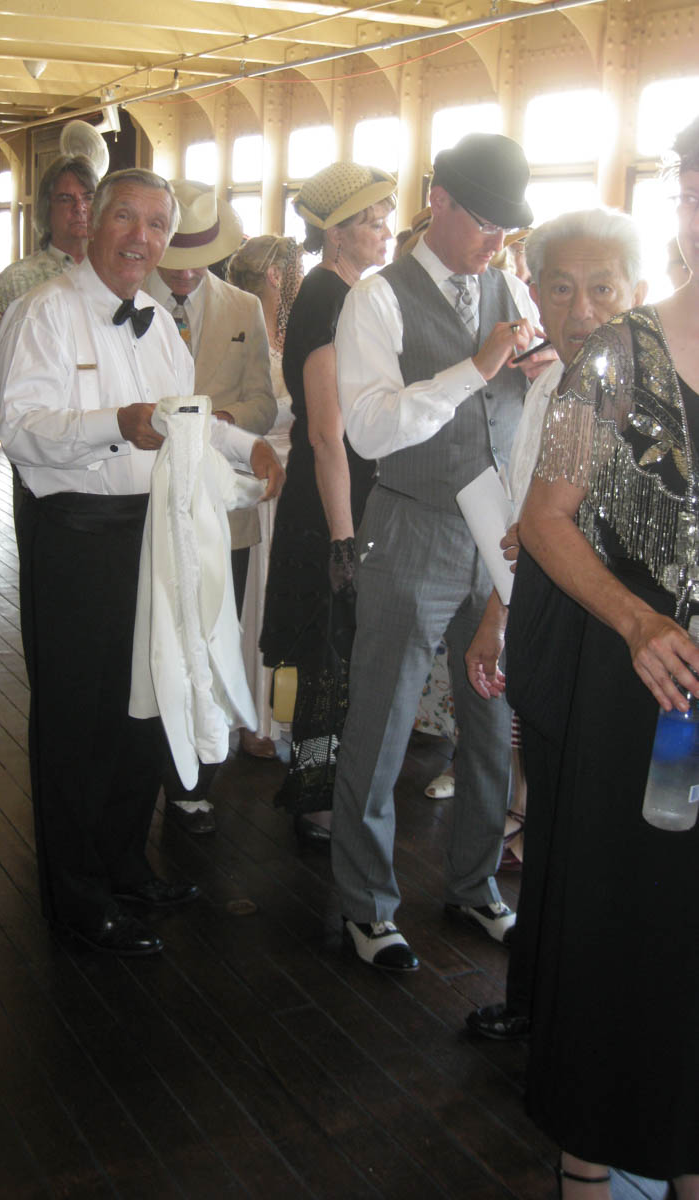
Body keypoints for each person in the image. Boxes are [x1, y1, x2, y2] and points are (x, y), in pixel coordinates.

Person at [0, 169, 284, 957]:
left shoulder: (159, 321)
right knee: (76, 719)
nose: (141, 238)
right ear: (92, 221)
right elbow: (24, 432)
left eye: (156, 225)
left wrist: (249, 444)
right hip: (74, 533)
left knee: (142, 704)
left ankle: (125, 863)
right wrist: (116, 424)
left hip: (152, 529)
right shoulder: (42, 313)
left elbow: (183, 422)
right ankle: (75, 893)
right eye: (127, 217)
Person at [509, 119, 699, 1196]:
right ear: (684, 208)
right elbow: (546, 519)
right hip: (642, 694)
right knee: (625, 931)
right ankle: (592, 1157)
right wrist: (636, 622)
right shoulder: (625, 359)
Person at [331, 134, 542, 971]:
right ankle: (366, 904)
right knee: (381, 720)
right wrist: (473, 367)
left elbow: (519, 410)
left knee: (491, 716)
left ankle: (476, 883)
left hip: (497, 531)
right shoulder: (376, 301)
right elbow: (371, 427)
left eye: (506, 231)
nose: (495, 245)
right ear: (440, 201)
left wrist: (540, 368)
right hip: (412, 518)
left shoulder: (509, 286)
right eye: (484, 223)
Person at [461, 207, 648, 1042]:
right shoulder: (543, 387)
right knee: (546, 819)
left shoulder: (655, 400)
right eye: (563, 290)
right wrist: (497, 618)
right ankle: (534, 999)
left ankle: (582, 1020)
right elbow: (529, 525)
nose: (584, 313)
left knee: (592, 833)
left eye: (603, 289)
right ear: (532, 293)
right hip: (541, 626)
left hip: (610, 644)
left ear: (636, 291)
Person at [260, 162, 397, 849]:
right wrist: (344, 538)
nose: (385, 229)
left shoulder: (352, 293)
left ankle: (330, 782)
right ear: (336, 234)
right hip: (330, 501)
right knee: (326, 648)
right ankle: (315, 798)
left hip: (352, 494)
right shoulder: (326, 298)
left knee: (341, 649)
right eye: (372, 220)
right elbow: (324, 428)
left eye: (386, 215)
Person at [145, 181, 277, 832]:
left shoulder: (244, 308)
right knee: (155, 636)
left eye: (201, 254)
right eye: (176, 253)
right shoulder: (129, 302)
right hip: (145, 507)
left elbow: (265, 404)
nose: (186, 270)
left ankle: (201, 775)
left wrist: (225, 420)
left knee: (214, 633)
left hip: (224, 509)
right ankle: (151, 767)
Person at [227, 235, 305, 758]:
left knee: (284, 597)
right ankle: (255, 717)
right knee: (258, 596)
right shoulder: (251, 337)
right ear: (277, 277)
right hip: (262, 481)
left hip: (296, 479)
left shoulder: (292, 336)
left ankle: (279, 713)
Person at [0, 154, 100, 422]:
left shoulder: (114, 277)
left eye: (88, 197)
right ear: (47, 208)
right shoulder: (16, 281)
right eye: (66, 199)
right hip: (44, 426)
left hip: (107, 428)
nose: (79, 207)